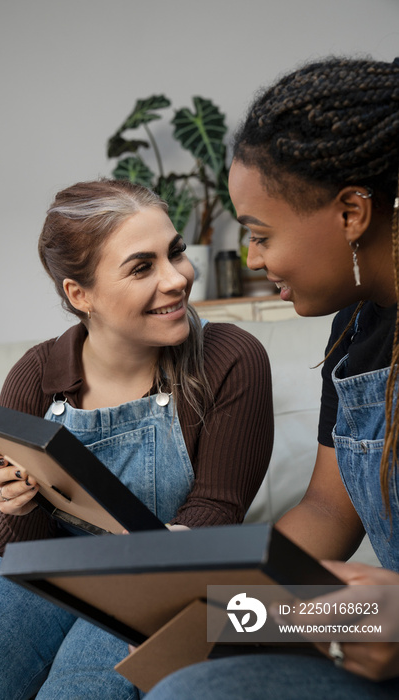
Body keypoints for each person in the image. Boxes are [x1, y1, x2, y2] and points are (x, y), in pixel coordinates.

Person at [0, 179, 273, 699]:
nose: (177, 278)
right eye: (143, 267)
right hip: (49, 567)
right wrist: (13, 505)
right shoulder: (36, 373)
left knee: (86, 691)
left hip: (160, 568)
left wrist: (177, 547)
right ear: (80, 294)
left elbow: (217, 508)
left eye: (175, 252)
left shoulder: (230, 357)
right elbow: (11, 545)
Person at [144, 56, 399, 699]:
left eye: (259, 234)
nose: (253, 260)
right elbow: (324, 509)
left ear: (350, 214)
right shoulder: (357, 333)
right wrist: (213, 586)